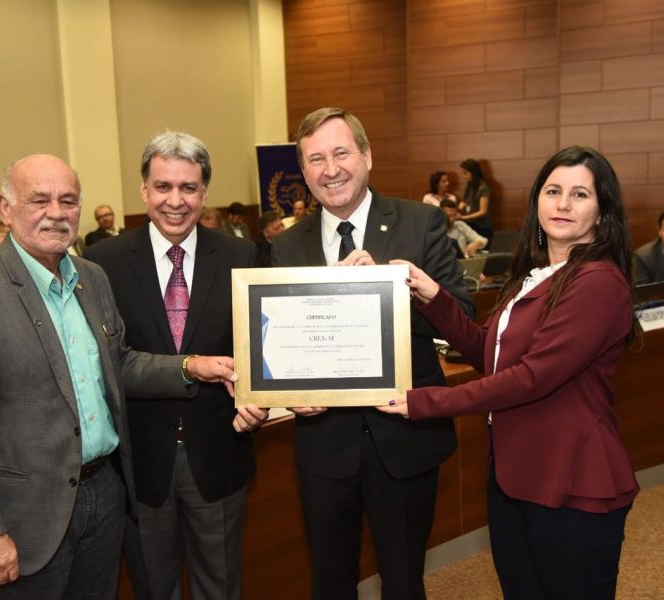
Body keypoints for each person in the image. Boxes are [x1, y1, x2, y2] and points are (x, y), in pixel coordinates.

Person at [0, 153, 242, 599]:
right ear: (5, 208)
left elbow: (120, 363)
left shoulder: (90, 278)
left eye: (68, 201)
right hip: (22, 518)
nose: (56, 213)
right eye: (40, 200)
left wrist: (189, 367)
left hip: (103, 498)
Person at [380, 146, 640, 599]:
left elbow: (530, 377)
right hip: (515, 477)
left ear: (602, 212)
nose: (562, 204)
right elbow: (488, 351)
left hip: (574, 482)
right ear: (537, 200)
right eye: (553, 190)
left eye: (580, 194)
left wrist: (425, 402)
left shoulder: (598, 281)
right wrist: (431, 296)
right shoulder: (533, 277)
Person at [271, 107, 474, 599]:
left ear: (366, 156)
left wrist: (391, 286)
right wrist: (283, 390)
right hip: (324, 446)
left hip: (403, 438)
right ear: (304, 173)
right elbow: (274, 340)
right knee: (330, 581)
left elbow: (462, 316)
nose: (330, 169)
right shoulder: (285, 245)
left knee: (404, 581)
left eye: (341, 153)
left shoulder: (419, 222)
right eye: (315, 159)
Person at [84, 132, 267, 600]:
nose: (175, 200)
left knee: (220, 587)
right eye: (163, 186)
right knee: (152, 589)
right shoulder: (102, 263)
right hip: (138, 462)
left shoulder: (240, 256)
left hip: (219, 451)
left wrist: (258, 401)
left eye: (188, 188)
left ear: (205, 193)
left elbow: (258, 349)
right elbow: (105, 364)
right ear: (143, 190)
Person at [457, 158, 493, 241]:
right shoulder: (470, 186)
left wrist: (463, 217)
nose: (463, 176)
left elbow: (483, 212)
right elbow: (468, 203)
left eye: (465, 173)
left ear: (473, 172)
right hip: (471, 225)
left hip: (482, 227)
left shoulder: (483, 187)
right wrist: (463, 205)